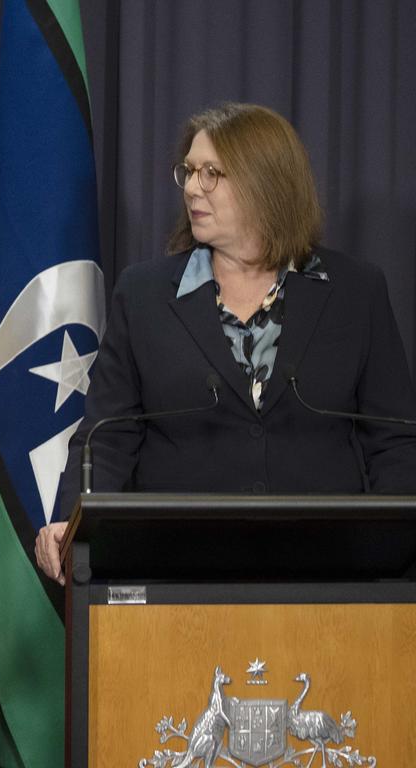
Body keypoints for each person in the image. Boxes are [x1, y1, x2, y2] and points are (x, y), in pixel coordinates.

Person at [36, 102, 416, 583]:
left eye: (212, 173)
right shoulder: (145, 294)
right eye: (190, 172)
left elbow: (395, 442)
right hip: (178, 577)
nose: (193, 188)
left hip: (327, 580)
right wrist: (71, 525)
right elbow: (106, 437)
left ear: (266, 185)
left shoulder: (355, 292)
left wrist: (390, 558)